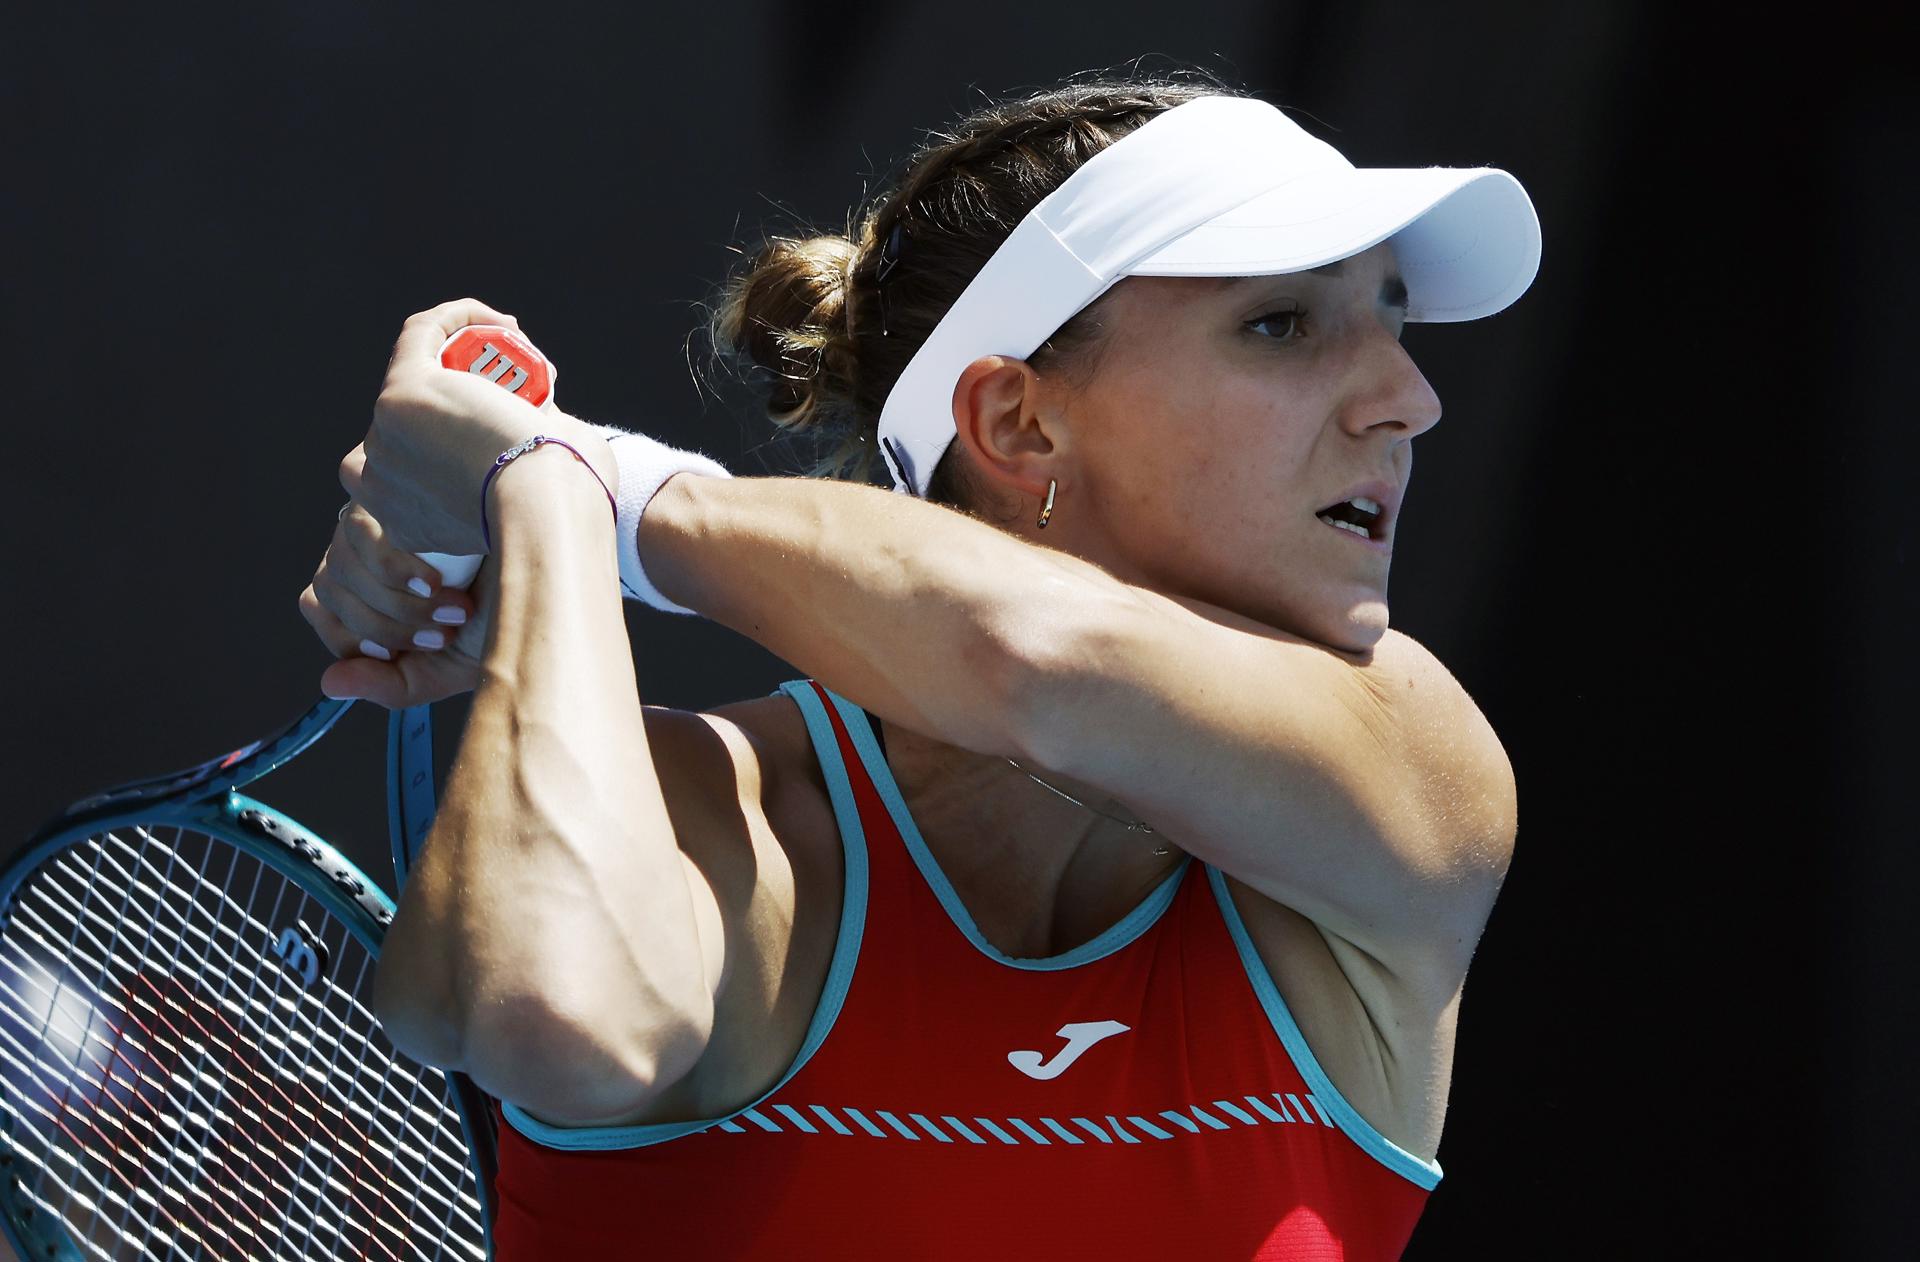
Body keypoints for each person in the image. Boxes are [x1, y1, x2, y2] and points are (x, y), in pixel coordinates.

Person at [307, 67, 1534, 1261]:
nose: (1409, 397)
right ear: (1019, 422)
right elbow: (550, 1015)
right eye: (1282, 321)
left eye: (1396, 320)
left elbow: (1040, 657)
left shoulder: (1414, 762)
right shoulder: (721, 810)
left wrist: (593, 483)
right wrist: (548, 512)